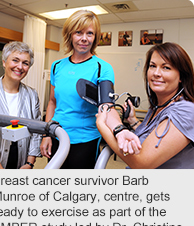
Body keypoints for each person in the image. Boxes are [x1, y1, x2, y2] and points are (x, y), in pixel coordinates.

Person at [40, 9, 141, 169]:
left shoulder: (103, 68)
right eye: (78, 32)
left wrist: (119, 129)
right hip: (56, 135)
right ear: (70, 34)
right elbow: (52, 102)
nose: (84, 39)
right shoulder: (56, 66)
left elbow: (106, 106)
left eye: (90, 33)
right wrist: (46, 134)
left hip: (85, 139)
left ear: (95, 37)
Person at [96, 42, 194, 169]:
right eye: (152, 66)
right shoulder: (158, 106)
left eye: (166, 68)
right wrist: (133, 121)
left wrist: (102, 126)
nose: (156, 73)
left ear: (181, 76)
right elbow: (153, 137)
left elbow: (141, 163)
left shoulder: (186, 111)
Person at [0, 41, 41, 169]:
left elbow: (37, 131)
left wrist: (29, 163)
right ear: (4, 62)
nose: (20, 67)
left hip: (21, 162)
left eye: (25, 63)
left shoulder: (32, 94)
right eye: (15, 60)